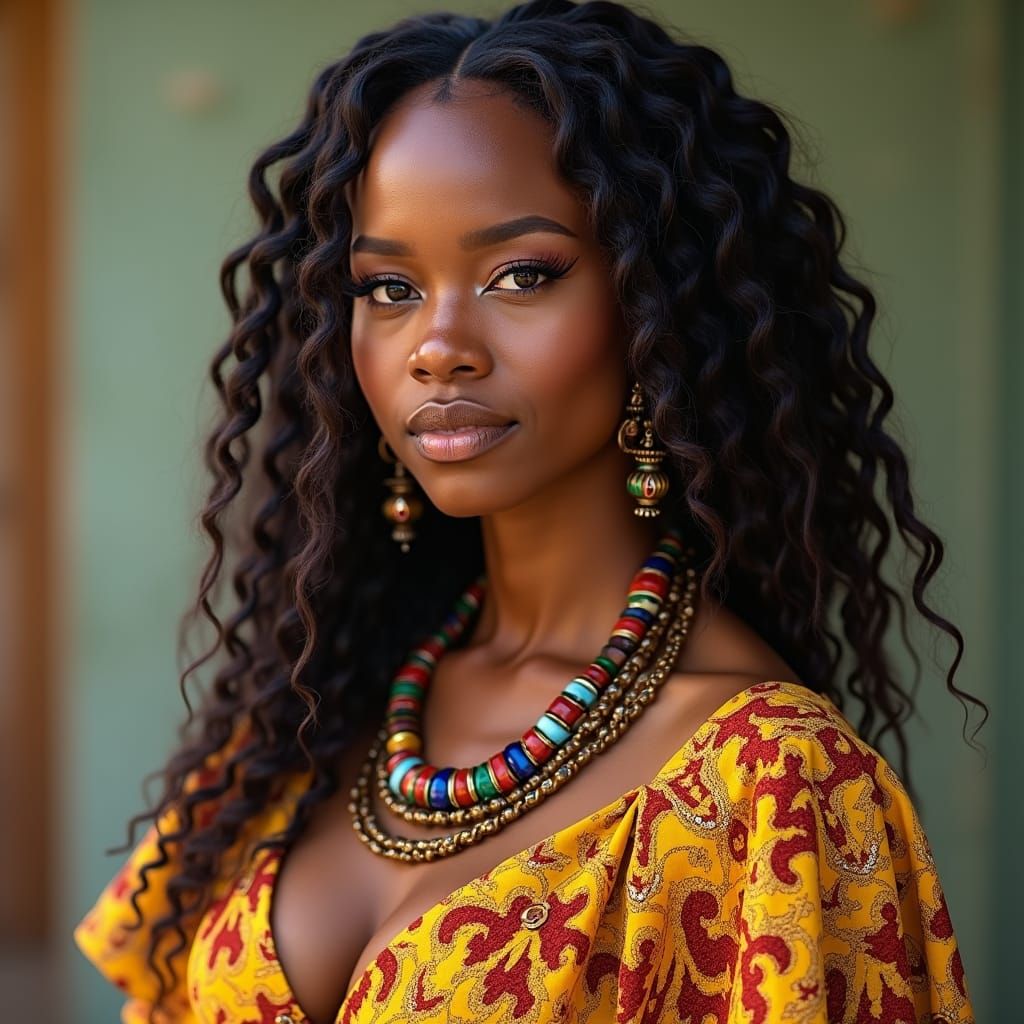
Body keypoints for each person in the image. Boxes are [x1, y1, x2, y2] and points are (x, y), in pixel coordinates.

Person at [73, 2, 983, 1021]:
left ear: (659, 306)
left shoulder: (773, 783)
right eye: (386, 287)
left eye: (521, 274)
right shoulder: (299, 714)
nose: (437, 344)